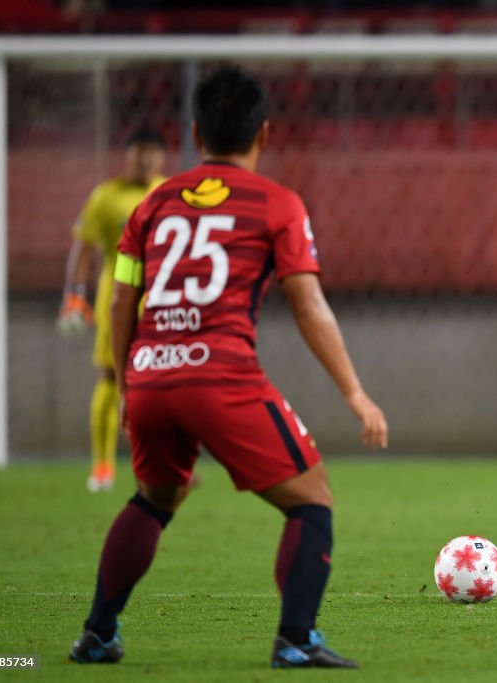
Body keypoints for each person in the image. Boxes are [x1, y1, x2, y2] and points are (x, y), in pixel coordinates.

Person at [68, 65, 388, 669]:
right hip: (221, 373)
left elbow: (119, 299)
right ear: (263, 134)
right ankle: (296, 639)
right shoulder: (278, 203)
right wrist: (355, 393)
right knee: (311, 499)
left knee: (155, 497)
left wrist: (129, 381)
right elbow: (307, 301)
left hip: (150, 371)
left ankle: (97, 634)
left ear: (195, 131)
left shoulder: (154, 202)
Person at [58, 129, 167, 492]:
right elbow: (84, 248)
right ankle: (103, 465)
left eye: (151, 155)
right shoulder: (106, 196)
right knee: (110, 375)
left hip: (161, 295)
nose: (145, 161)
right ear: (128, 157)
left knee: (166, 381)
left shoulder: (170, 192)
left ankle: (165, 463)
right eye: (139, 155)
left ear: (161, 159)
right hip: (117, 293)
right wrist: (75, 294)